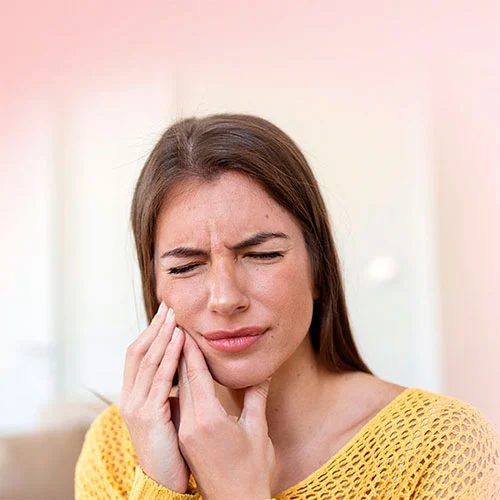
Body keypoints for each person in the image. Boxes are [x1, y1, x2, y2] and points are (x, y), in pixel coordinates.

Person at [75, 114, 500, 499]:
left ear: (319, 269)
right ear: (155, 288)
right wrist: (158, 483)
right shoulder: (118, 446)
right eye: (186, 267)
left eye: (262, 255)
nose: (225, 298)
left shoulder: (443, 445)